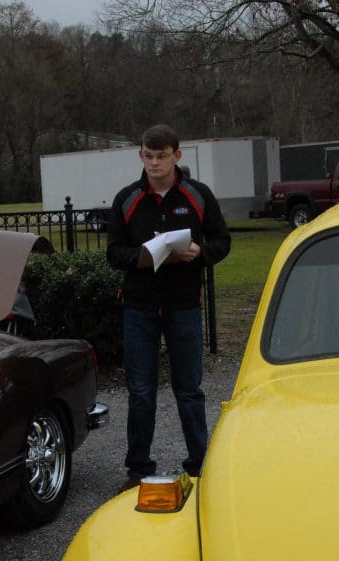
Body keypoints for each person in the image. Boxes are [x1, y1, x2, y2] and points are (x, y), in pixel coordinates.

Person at [106, 124, 232, 486]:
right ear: (140, 155)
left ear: (177, 155)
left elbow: (223, 241)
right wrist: (144, 257)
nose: (155, 163)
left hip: (184, 306)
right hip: (139, 308)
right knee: (140, 391)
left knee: (189, 390)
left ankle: (199, 465)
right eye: (149, 156)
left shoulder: (197, 195)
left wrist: (200, 252)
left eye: (161, 156)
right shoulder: (127, 198)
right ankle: (138, 468)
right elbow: (113, 253)